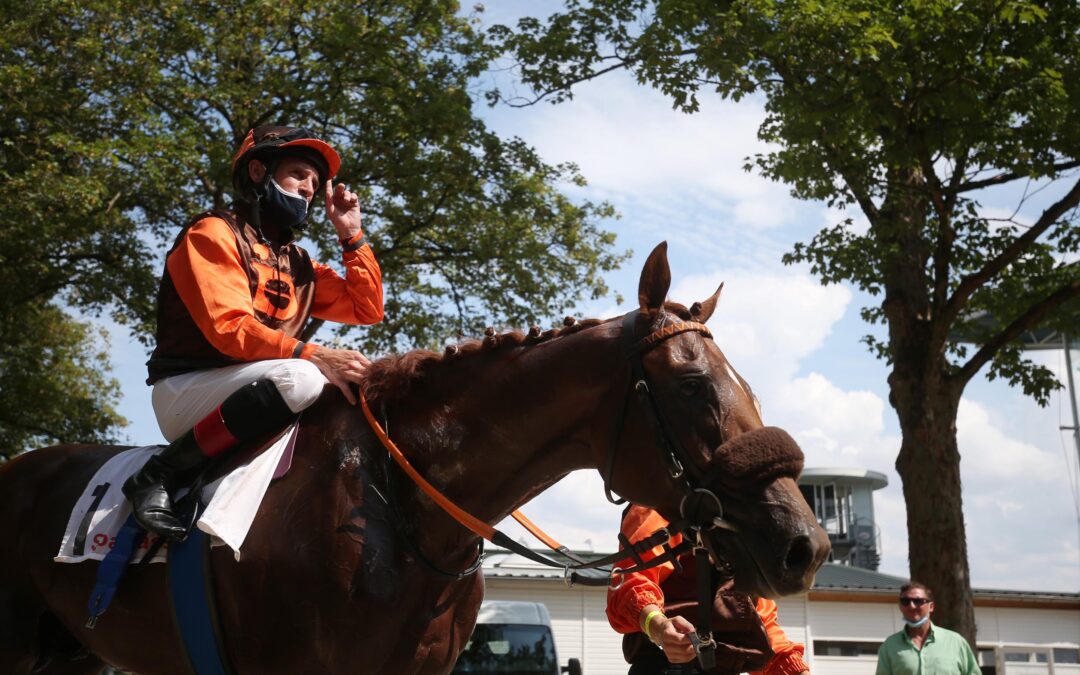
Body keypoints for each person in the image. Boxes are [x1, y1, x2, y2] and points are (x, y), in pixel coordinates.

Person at [125, 125, 383, 541]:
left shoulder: (299, 263)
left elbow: (366, 308)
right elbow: (229, 330)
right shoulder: (211, 232)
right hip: (187, 392)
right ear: (259, 171)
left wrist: (350, 233)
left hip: (256, 390)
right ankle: (159, 474)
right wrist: (315, 354)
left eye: (315, 183)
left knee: (344, 390)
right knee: (304, 376)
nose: (308, 189)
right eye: (299, 174)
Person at [607, 505, 811, 675]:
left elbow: (762, 624)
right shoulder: (660, 502)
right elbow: (631, 583)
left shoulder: (742, 522)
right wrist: (659, 627)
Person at [875, 582, 980, 675]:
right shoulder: (890, 646)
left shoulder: (956, 642)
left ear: (931, 607)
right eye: (905, 601)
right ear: (900, 606)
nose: (911, 606)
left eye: (918, 601)